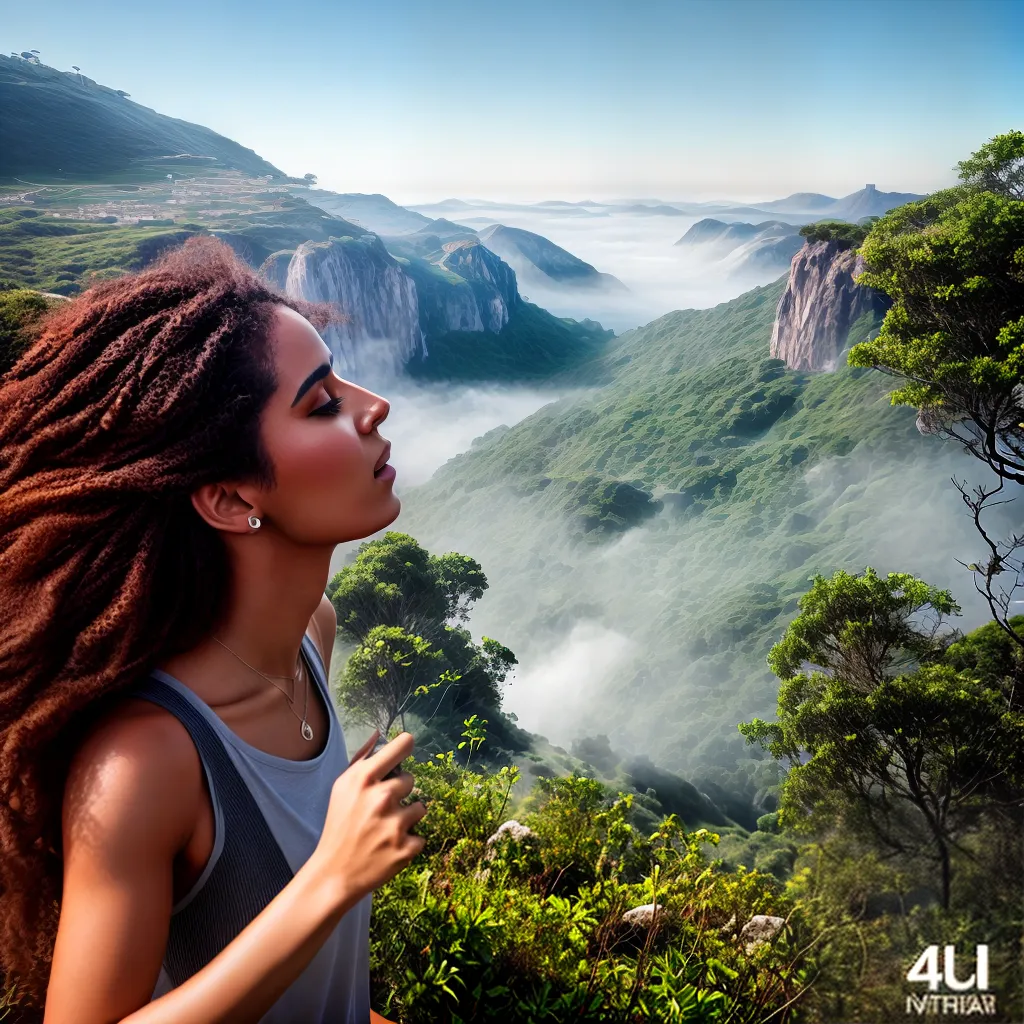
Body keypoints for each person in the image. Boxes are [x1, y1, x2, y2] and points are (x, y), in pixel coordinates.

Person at [0, 236, 426, 1023]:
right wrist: (331, 877)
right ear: (231, 501)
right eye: (322, 404)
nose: (374, 406)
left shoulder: (311, 639)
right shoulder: (145, 761)